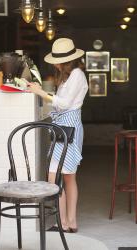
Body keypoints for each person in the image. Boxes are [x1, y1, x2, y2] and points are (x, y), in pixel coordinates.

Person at [27, 38, 88, 233]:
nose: (54, 63)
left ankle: (65, 222)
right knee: (68, 178)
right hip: (65, 129)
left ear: (65, 60)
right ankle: (69, 222)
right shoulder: (68, 75)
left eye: (56, 59)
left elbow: (64, 104)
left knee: (57, 178)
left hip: (68, 129)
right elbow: (60, 103)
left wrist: (41, 92)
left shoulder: (76, 75)